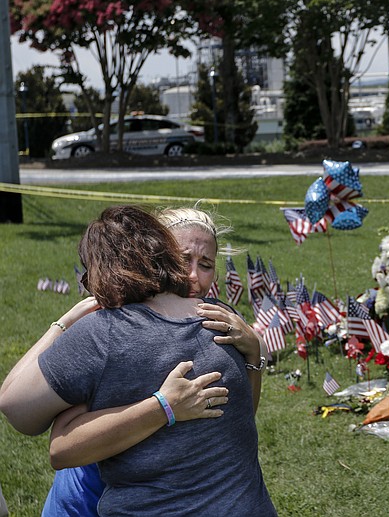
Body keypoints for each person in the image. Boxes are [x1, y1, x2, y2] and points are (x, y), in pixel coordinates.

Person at [0, 205, 276, 515]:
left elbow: (34, 425)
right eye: (184, 259)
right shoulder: (216, 318)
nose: (192, 276)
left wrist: (254, 353)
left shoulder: (104, 332)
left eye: (206, 264)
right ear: (158, 252)